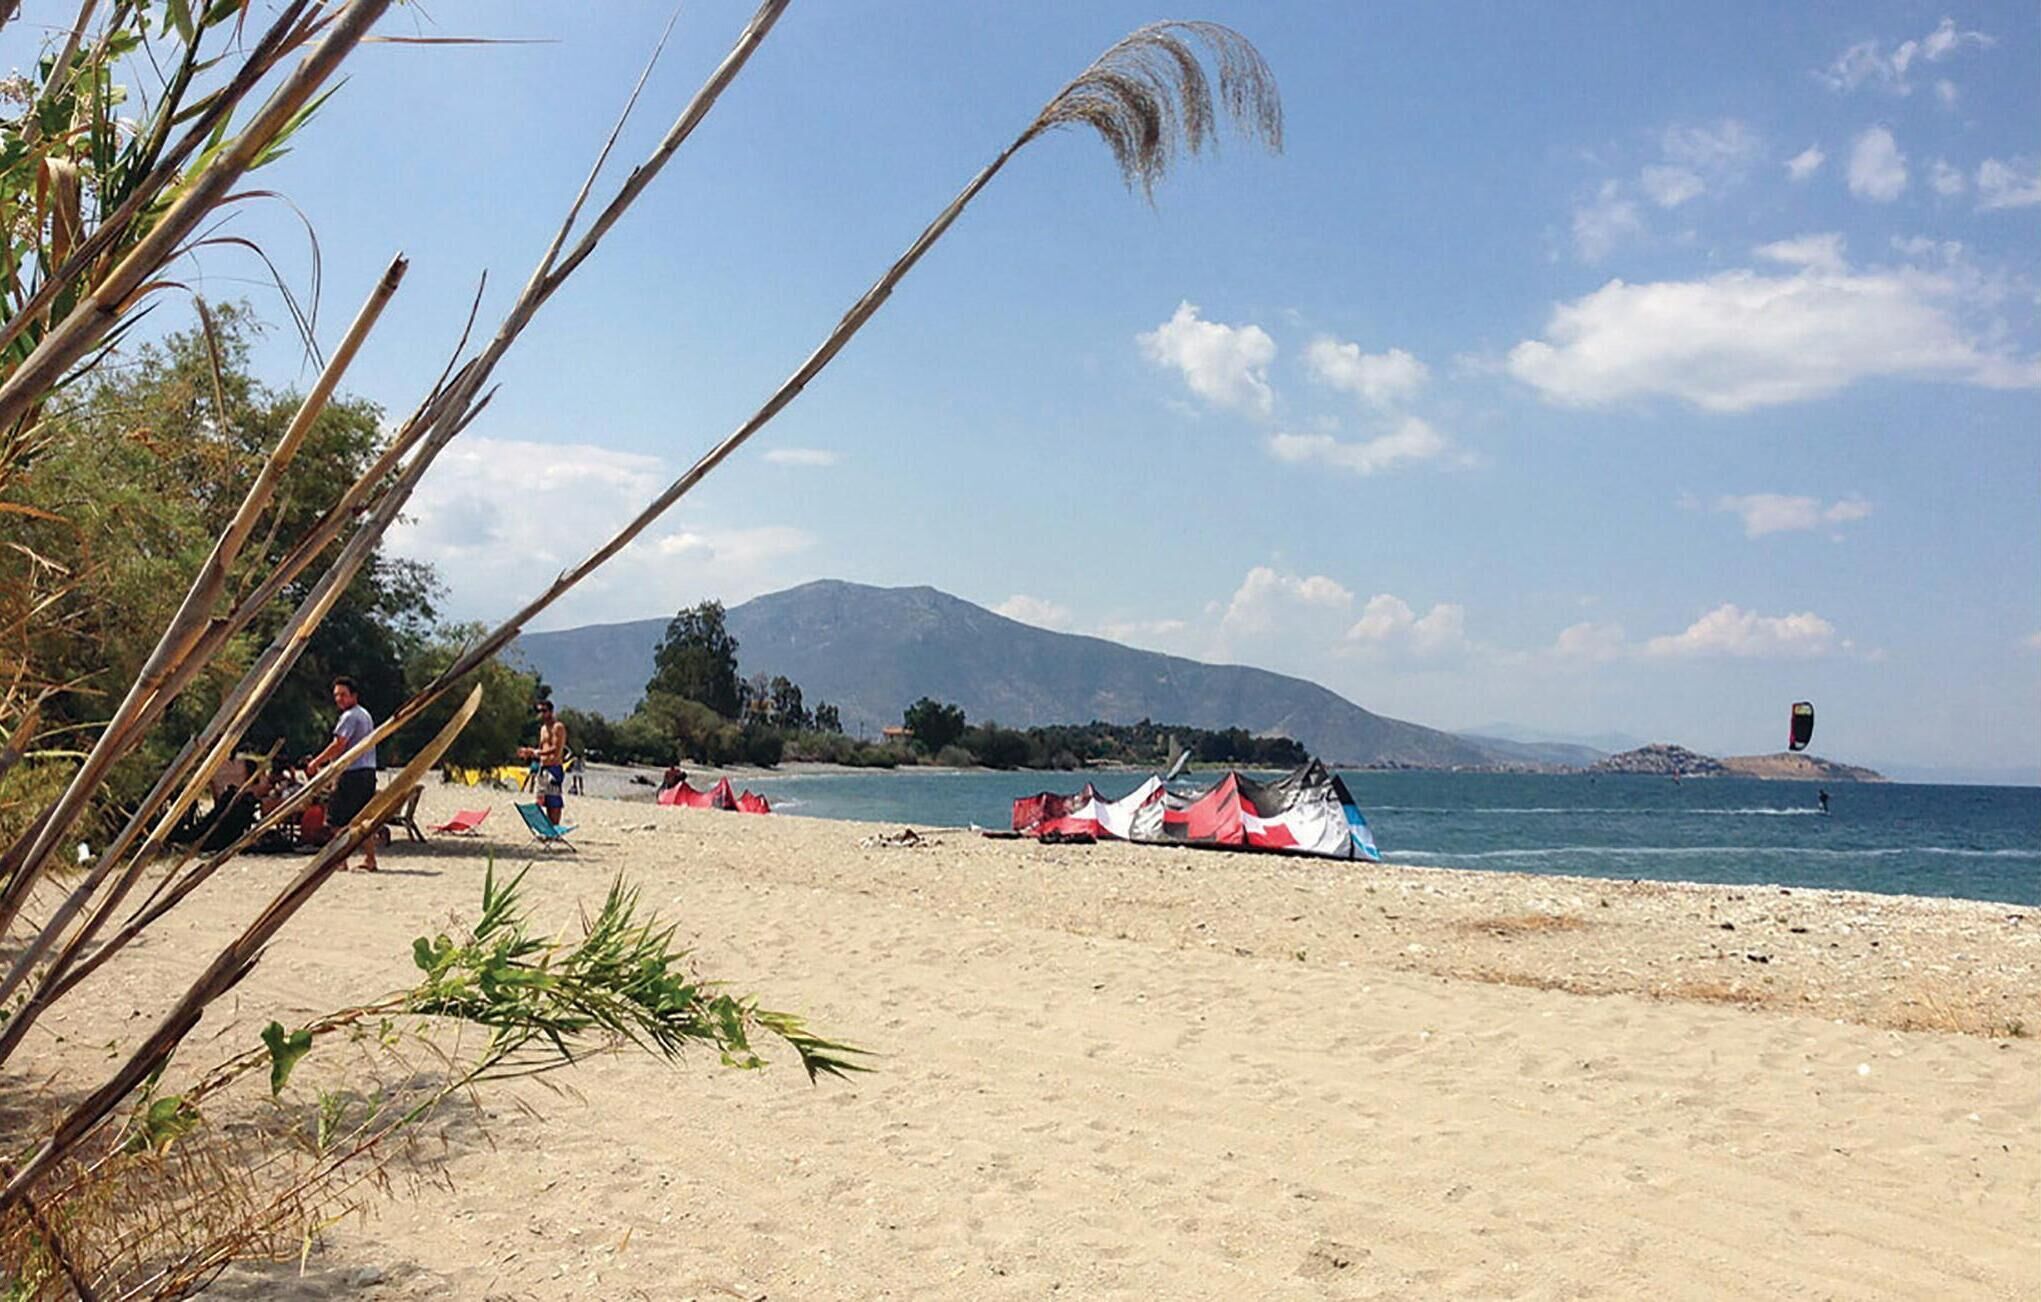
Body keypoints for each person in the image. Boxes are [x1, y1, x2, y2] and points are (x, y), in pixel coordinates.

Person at [307, 675, 379, 872]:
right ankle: (370, 859)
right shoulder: (365, 715)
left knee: (337, 820)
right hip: (367, 772)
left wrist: (316, 762)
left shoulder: (350, 717)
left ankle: (341, 859)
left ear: (354, 696)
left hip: (352, 773)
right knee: (363, 819)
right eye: (337, 695)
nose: (339, 699)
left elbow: (339, 744)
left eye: (343, 695)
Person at [519, 699, 568, 826]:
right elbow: (542, 748)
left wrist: (535, 752)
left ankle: (554, 827)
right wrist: (529, 753)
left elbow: (556, 749)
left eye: (544, 711)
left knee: (553, 800)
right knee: (541, 800)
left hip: (554, 767)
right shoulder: (543, 729)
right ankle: (546, 827)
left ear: (551, 711)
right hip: (543, 767)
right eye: (539, 711)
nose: (542, 714)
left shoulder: (558, 727)